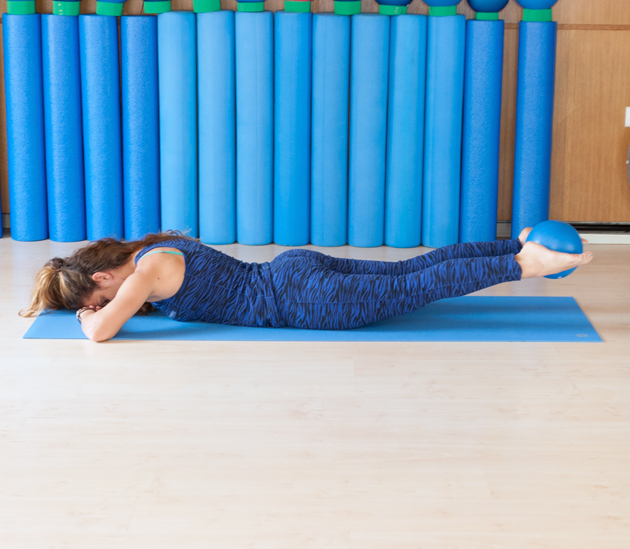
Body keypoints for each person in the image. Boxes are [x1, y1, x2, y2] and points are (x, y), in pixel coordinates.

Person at [19, 229, 593, 342]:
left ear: (103, 277)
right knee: (409, 272)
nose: (107, 305)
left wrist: (88, 317)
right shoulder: (154, 248)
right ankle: (511, 245)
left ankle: (527, 264)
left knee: (417, 286)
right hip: (291, 270)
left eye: (100, 297)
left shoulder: (142, 274)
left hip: (301, 300)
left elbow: (101, 333)